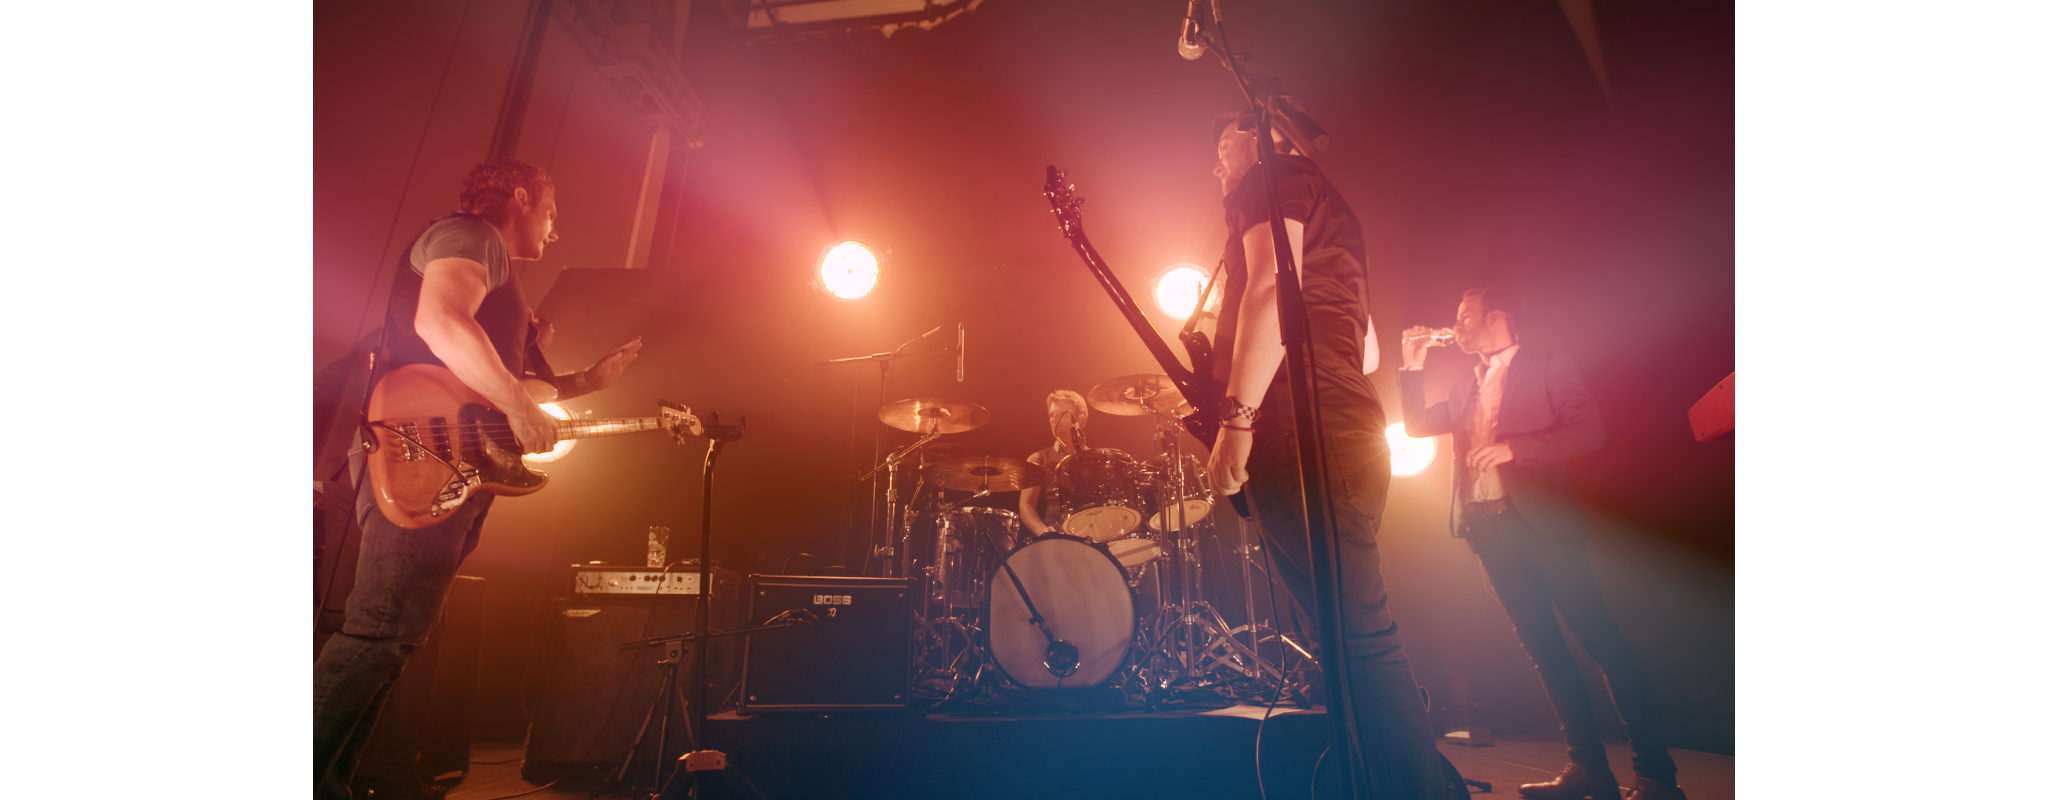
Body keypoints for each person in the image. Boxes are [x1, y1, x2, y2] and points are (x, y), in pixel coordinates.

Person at [312, 160, 643, 799]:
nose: (555, 230)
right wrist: (519, 407)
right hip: (420, 449)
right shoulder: (472, 237)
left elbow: (502, 387)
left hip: (446, 459)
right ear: (520, 198)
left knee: (393, 638)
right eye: (551, 211)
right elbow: (441, 324)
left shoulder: (499, 276)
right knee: (379, 630)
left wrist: (583, 384)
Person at [1201, 110, 1443, 798]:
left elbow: (1274, 291)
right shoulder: (1333, 214)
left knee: (1359, 639)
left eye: (1224, 146)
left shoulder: (1272, 178)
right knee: (1346, 639)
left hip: (1303, 436)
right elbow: (1364, 349)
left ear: (1266, 135)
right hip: (1347, 432)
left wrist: (1238, 419)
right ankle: (1378, 783)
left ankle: (1413, 789)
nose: (1217, 165)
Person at [1399, 289, 1684, 800]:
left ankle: (1657, 777)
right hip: (1490, 533)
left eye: (1465, 317)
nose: (1456, 326)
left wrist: (1514, 449)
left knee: (1604, 646)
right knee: (1545, 653)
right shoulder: (1466, 389)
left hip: (1547, 530)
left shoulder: (1551, 366)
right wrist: (1411, 367)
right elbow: (1419, 425)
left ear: (1498, 317)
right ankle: (1588, 769)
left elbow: (1590, 431)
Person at [1018, 389, 1089, 537]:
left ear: (1080, 420)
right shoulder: (1039, 459)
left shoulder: (1097, 460)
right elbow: (1026, 504)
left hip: (1093, 538)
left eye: (1061, 413)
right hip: (1054, 540)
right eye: (1051, 414)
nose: (1054, 419)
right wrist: (1042, 531)